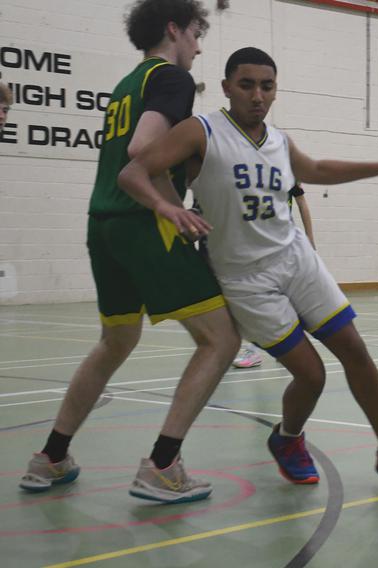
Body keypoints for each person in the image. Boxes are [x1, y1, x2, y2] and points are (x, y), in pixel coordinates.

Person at [118, 47, 378, 493]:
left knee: (355, 350)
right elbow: (133, 172)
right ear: (227, 88)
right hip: (245, 278)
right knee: (312, 375)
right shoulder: (200, 131)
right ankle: (288, 440)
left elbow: (318, 169)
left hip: (296, 259)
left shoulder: (279, 141)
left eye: (267, 86)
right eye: (247, 85)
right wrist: (167, 207)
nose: (258, 95)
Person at [19, 0, 241, 504]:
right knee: (223, 339)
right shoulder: (171, 79)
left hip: (102, 225)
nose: (198, 45)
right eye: (195, 34)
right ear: (173, 29)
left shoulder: (126, 84)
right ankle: (162, 466)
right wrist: (169, 207)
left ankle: (51, 457)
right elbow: (145, 148)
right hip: (143, 224)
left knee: (115, 341)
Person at [231, 182, 314, 369]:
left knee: (286, 297)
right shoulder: (250, 174)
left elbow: (301, 201)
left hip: (283, 244)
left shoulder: (286, 171)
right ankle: (255, 350)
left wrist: (310, 238)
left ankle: (287, 347)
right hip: (257, 243)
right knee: (254, 296)